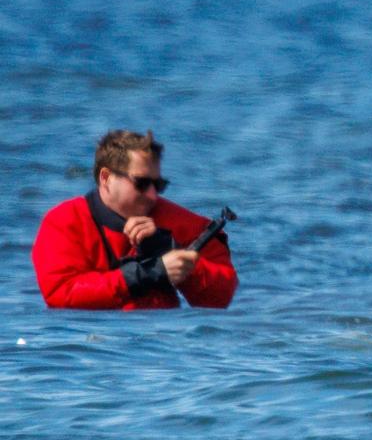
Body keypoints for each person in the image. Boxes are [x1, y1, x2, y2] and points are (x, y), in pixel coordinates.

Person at [31, 129, 239, 310]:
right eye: (141, 183)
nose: (152, 195)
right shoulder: (63, 222)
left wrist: (176, 255)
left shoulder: (180, 223)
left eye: (158, 185)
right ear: (106, 178)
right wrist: (149, 272)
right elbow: (61, 294)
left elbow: (220, 299)